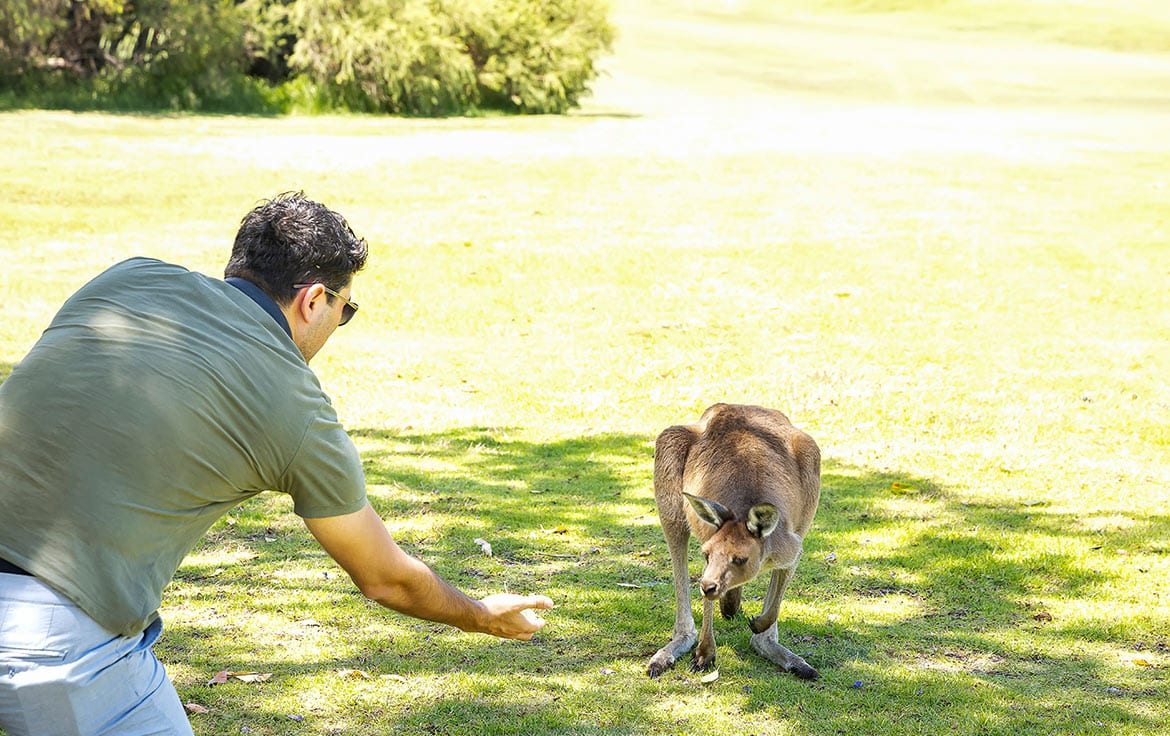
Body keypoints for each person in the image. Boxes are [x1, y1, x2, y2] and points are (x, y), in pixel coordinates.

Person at [0, 192, 553, 736]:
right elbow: (386, 579)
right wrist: (481, 613)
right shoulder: (294, 406)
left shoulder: (127, 278)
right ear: (314, 300)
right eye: (346, 308)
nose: (340, 322)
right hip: (52, 639)